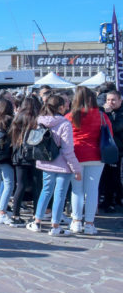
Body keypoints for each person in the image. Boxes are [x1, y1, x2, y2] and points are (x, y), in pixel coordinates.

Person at [27, 94, 82, 236]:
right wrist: (76, 169)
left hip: (45, 162)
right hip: (63, 165)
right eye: (65, 105)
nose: (67, 107)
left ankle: (37, 222)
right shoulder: (64, 123)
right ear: (61, 107)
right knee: (60, 195)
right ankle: (55, 226)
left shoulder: (40, 121)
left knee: (45, 191)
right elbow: (68, 150)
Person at [66, 86, 111, 235]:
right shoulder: (101, 116)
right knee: (92, 191)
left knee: (77, 190)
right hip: (97, 156)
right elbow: (108, 134)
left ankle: (77, 222)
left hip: (76, 156)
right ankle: (90, 224)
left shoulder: (70, 116)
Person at [9, 95, 41, 228]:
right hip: (34, 155)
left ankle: (15, 215)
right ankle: (35, 215)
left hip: (19, 154)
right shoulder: (37, 119)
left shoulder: (17, 118)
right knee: (37, 186)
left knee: (20, 185)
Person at [101, 90, 123, 212]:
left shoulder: (120, 114)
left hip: (118, 150)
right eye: (108, 100)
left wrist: (107, 115)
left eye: (113, 100)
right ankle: (108, 200)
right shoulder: (106, 112)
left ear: (120, 100)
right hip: (107, 150)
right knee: (107, 176)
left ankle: (114, 200)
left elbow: (114, 128)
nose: (110, 103)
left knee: (115, 177)